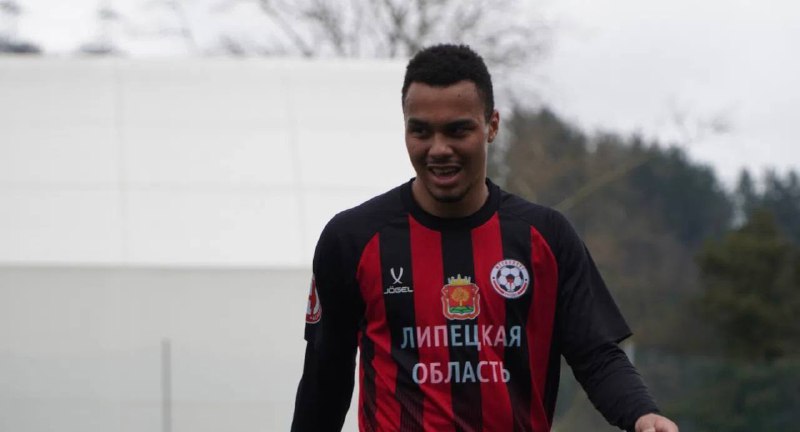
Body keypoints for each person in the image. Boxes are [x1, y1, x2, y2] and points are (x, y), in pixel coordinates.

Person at [291, 44, 679, 432]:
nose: (438, 149)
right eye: (421, 131)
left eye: (457, 130)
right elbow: (325, 379)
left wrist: (642, 414)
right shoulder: (351, 239)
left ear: (492, 126)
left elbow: (596, 355)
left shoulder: (546, 237)